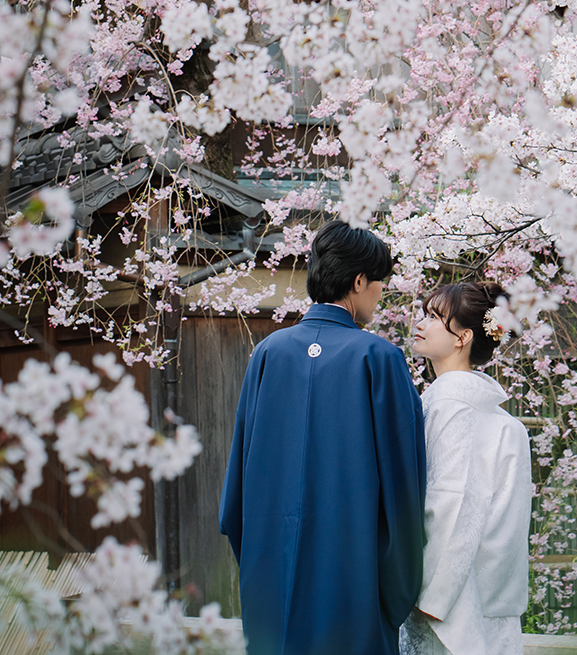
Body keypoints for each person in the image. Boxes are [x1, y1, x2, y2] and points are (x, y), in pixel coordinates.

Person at [219, 220, 426, 655]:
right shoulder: (379, 357)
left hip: (271, 590)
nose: (381, 294)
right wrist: (394, 594)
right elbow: (404, 490)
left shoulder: (268, 353)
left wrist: (264, 566)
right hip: (353, 591)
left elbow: (236, 490)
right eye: (379, 283)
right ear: (358, 281)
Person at [400, 281, 532, 655]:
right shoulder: (505, 423)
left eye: (435, 317)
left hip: (444, 601)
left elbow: (451, 509)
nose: (421, 323)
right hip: (490, 601)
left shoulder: (450, 408)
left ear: (463, 337)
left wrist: (428, 596)